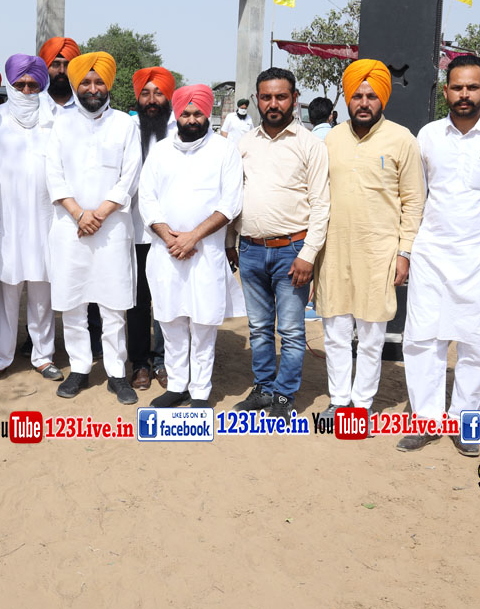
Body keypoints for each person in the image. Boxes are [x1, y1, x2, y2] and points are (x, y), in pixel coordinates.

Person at [397, 56, 480, 456]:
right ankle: (426, 419)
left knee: (478, 343)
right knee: (422, 340)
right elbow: (414, 196)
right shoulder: (429, 135)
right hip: (432, 255)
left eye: (472, 87)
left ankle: (465, 421)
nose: (464, 94)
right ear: (446, 91)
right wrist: (406, 250)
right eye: (456, 87)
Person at [316, 59, 424, 418]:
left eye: (372, 96)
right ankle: (338, 399)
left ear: (383, 99)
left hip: (380, 252)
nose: (364, 103)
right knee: (335, 331)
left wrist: (405, 252)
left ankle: (361, 404)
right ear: (348, 98)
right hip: (334, 251)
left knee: (372, 334)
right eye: (358, 96)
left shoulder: (402, 139)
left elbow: (414, 202)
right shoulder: (331, 138)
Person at [227, 68, 330, 418]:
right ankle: (263, 388)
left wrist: (308, 255)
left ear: (294, 99)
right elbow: (232, 197)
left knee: (290, 330)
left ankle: (284, 396)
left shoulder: (310, 145)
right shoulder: (243, 144)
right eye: (267, 97)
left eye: (281, 97)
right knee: (258, 328)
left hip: (292, 252)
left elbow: (322, 204)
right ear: (257, 100)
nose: (273, 104)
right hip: (250, 250)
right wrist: (231, 241)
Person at [45, 51, 141, 404]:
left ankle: (116, 372)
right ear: (76, 84)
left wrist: (98, 214)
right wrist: (78, 213)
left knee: (113, 303)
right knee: (73, 301)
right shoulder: (62, 123)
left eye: (99, 81)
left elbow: (130, 176)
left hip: (111, 228)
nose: (92, 88)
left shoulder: (125, 125)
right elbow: (53, 173)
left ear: (108, 84)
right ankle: (80, 368)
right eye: (85, 82)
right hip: (70, 227)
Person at [140, 84, 244, 407]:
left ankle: (199, 391)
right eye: (185, 113)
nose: (192, 119)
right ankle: (176, 385)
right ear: (177, 114)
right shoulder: (160, 152)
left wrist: (192, 237)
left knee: (202, 325)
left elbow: (230, 203)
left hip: (205, 254)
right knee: (170, 321)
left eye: (198, 113)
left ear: (208, 113)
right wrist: (169, 237)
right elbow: (146, 198)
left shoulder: (224, 150)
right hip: (166, 252)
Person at [0, 54, 63, 384]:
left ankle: (43, 356)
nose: (26, 91)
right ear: (10, 86)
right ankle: (1, 358)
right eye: (20, 84)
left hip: (46, 220)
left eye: (33, 85)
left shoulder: (56, 119)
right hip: (6, 222)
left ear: (41, 86)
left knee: (42, 292)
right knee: (7, 293)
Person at [128, 66, 176, 391]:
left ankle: (163, 360)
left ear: (168, 96)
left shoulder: (179, 129)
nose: (152, 99)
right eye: (145, 93)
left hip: (169, 232)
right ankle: (140, 363)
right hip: (133, 230)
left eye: (158, 92)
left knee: (166, 298)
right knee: (138, 300)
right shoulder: (128, 129)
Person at [38, 36, 81, 119]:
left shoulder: (86, 105)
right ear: (45, 67)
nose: (62, 70)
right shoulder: (34, 104)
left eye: (67, 65)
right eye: (55, 64)